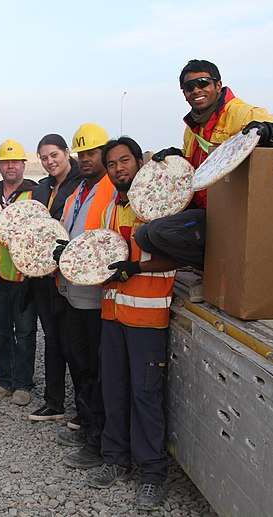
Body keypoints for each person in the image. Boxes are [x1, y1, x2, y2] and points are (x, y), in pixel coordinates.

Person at [136, 59, 273, 272]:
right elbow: (197, 171)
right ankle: (212, 269)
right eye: (189, 87)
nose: (196, 90)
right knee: (144, 236)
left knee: (160, 232)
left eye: (203, 83)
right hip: (207, 212)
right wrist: (177, 159)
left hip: (233, 214)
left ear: (218, 86)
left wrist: (267, 131)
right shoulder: (192, 128)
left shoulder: (242, 114)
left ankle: (222, 270)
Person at [84, 136, 178, 512]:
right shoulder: (110, 209)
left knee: (145, 395)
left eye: (125, 161)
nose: (119, 168)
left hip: (147, 316)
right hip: (113, 314)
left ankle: (153, 474)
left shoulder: (157, 206)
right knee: (115, 389)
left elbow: (174, 256)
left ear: (140, 163)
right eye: (112, 164)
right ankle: (115, 458)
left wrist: (135, 268)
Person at [53, 123, 116, 471]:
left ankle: (98, 438)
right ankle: (87, 423)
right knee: (79, 363)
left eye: (92, 152)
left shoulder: (112, 189)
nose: (86, 159)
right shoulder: (79, 190)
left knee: (95, 367)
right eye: (82, 154)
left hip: (96, 297)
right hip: (72, 292)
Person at [28, 134, 83, 424]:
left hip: (68, 275)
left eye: (54, 155)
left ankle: (83, 408)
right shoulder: (41, 188)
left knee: (73, 342)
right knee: (51, 338)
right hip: (42, 276)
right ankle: (54, 402)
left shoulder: (81, 184)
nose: (50, 161)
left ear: (66, 152)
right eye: (44, 157)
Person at [0, 139, 38, 406]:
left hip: (23, 276)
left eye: (15, 161)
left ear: (23, 165)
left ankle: (23, 384)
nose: (11, 166)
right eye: (6, 162)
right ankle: (5, 380)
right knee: (1, 329)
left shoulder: (35, 196)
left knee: (25, 331)